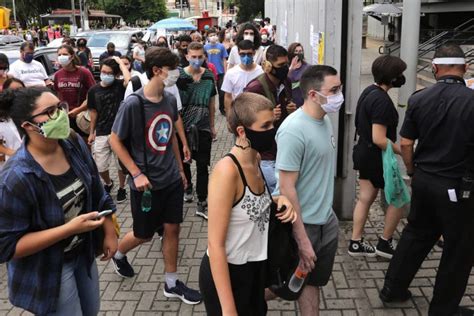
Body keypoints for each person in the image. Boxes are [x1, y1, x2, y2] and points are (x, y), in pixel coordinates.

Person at [0, 87, 118, 315]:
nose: (62, 115)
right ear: (27, 125)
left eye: (61, 107)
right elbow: (7, 246)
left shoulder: (72, 143)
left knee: (91, 310)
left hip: (83, 254)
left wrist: (109, 230)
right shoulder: (15, 178)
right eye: (51, 111)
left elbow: (96, 188)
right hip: (49, 267)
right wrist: (67, 230)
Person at [380, 44, 474, 316]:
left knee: (416, 235)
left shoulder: (419, 98)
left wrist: (412, 170)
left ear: (434, 68)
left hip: (423, 180)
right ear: (465, 69)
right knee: (458, 249)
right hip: (458, 187)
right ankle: (443, 309)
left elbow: (406, 142)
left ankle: (392, 290)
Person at [109, 47, 202, 304]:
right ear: (156, 71)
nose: (176, 73)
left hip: (170, 179)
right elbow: (115, 140)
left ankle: (171, 283)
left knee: (173, 228)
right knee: (144, 234)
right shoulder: (134, 104)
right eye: (172, 69)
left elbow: (169, 132)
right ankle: (118, 253)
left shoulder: (170, 100)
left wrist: (181, 170)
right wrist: (136, 173)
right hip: (146, 184)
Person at [199, 92, 297, 315]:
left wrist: (279, 199)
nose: (272, 130)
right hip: (229, 273)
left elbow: (249, 204)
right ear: (242, 131)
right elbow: (215, 246)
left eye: (273, 122)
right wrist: (228, 309)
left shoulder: (256, 158)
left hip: (254, 268)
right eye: (266, 126)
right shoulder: (227, 172)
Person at [275, 65, 342, 316]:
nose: (339, 95)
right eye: (334, 90)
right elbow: (286, 187)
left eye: (340, 88)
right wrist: (301, 238)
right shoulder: (293, 130)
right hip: (305, 225)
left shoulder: (324, 119)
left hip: (326, 220)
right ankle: (236, 300)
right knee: (287, 284)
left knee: (308, 281)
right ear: (313, 95)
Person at [349, 55, 407, 259]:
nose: (402, 77)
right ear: (392, 77)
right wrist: (404, 150)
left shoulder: (369, 92)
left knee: (365, 198)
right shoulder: (382, 100)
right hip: (377, 157)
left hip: (363, 152)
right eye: (399, 74)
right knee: (399, 198)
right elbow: (379, 138)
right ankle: (385, 242)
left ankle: (355, 242)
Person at [244, 45, 297, 192]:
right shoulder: (255, 88)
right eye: (280, 65)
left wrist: (291, 109)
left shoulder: (286, 82)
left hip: (284, 149)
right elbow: (246, 121)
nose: (285, 68)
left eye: (286, 64)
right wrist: (268, 117)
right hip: (266, 155)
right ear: (267, 66)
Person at [176, 42, 216, 218]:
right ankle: (188, 187)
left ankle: (202, 199)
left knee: (202, 165)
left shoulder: (208, 76)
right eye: (193, 57)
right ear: (187, 57)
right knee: (185, 162)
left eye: (200, 57)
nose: (197, 60)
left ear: (204, 57)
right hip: (182, 128)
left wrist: (213, 126)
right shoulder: (179, 77)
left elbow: (212, 103)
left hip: (203, 127)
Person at [88, 57, 131, 203]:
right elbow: (93, 112)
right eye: (103, 71)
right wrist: (91, 132)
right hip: (101, 131)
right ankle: (108, 183)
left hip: (119, 131)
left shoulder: (120, 85)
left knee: (120, 164)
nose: (105, 74)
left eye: (109, 72)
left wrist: (120, 63)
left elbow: (129, 79)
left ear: (116, 74)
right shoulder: (93, 90)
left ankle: (122, 188)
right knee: (100, 165)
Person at [53, 44, 96, 138]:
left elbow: (94, 94)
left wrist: (78, 110)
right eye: (59, 55)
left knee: (84, 143)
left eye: (64, 54)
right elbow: (58, 94)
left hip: (82, 116)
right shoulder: (57, 75)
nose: (61, 57)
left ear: (72, 56)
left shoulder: (84, 72)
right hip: (65, 116)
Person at [222, 40, 264, 113]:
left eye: (249, 54)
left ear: (254, 53)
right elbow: (228, 96)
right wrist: (229, 116)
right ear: (238, 53)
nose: (246, 57)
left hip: (257, 112)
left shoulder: (261, 72)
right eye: (242, 54)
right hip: (238, 112)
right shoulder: (231, 73)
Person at [0, 78, 24, 170]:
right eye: (13, 91)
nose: (18, 94)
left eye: (21, 89)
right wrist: (14, 153)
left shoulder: (33, 110)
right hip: (15, 164)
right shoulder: (2, 118)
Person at [204, 28, 228, 115]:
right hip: (209, 73)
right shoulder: (205, 47)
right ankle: (209, 110)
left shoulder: (221, 46)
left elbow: (224, 59)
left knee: (222, 92)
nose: (213, 37)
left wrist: (226, 72)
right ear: (207, 38)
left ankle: (222, 108)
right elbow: (204, 60)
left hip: (220, 72)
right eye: (211, 36)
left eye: (214, 35)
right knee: (209, 93)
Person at [288, 43, 311, 107]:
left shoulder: (307, 67)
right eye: (296, 51)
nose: (298, 53)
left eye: (300, 51)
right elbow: (283, 79)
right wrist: (291, 67)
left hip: (303, 101)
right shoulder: (285, 66)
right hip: (289, 101)